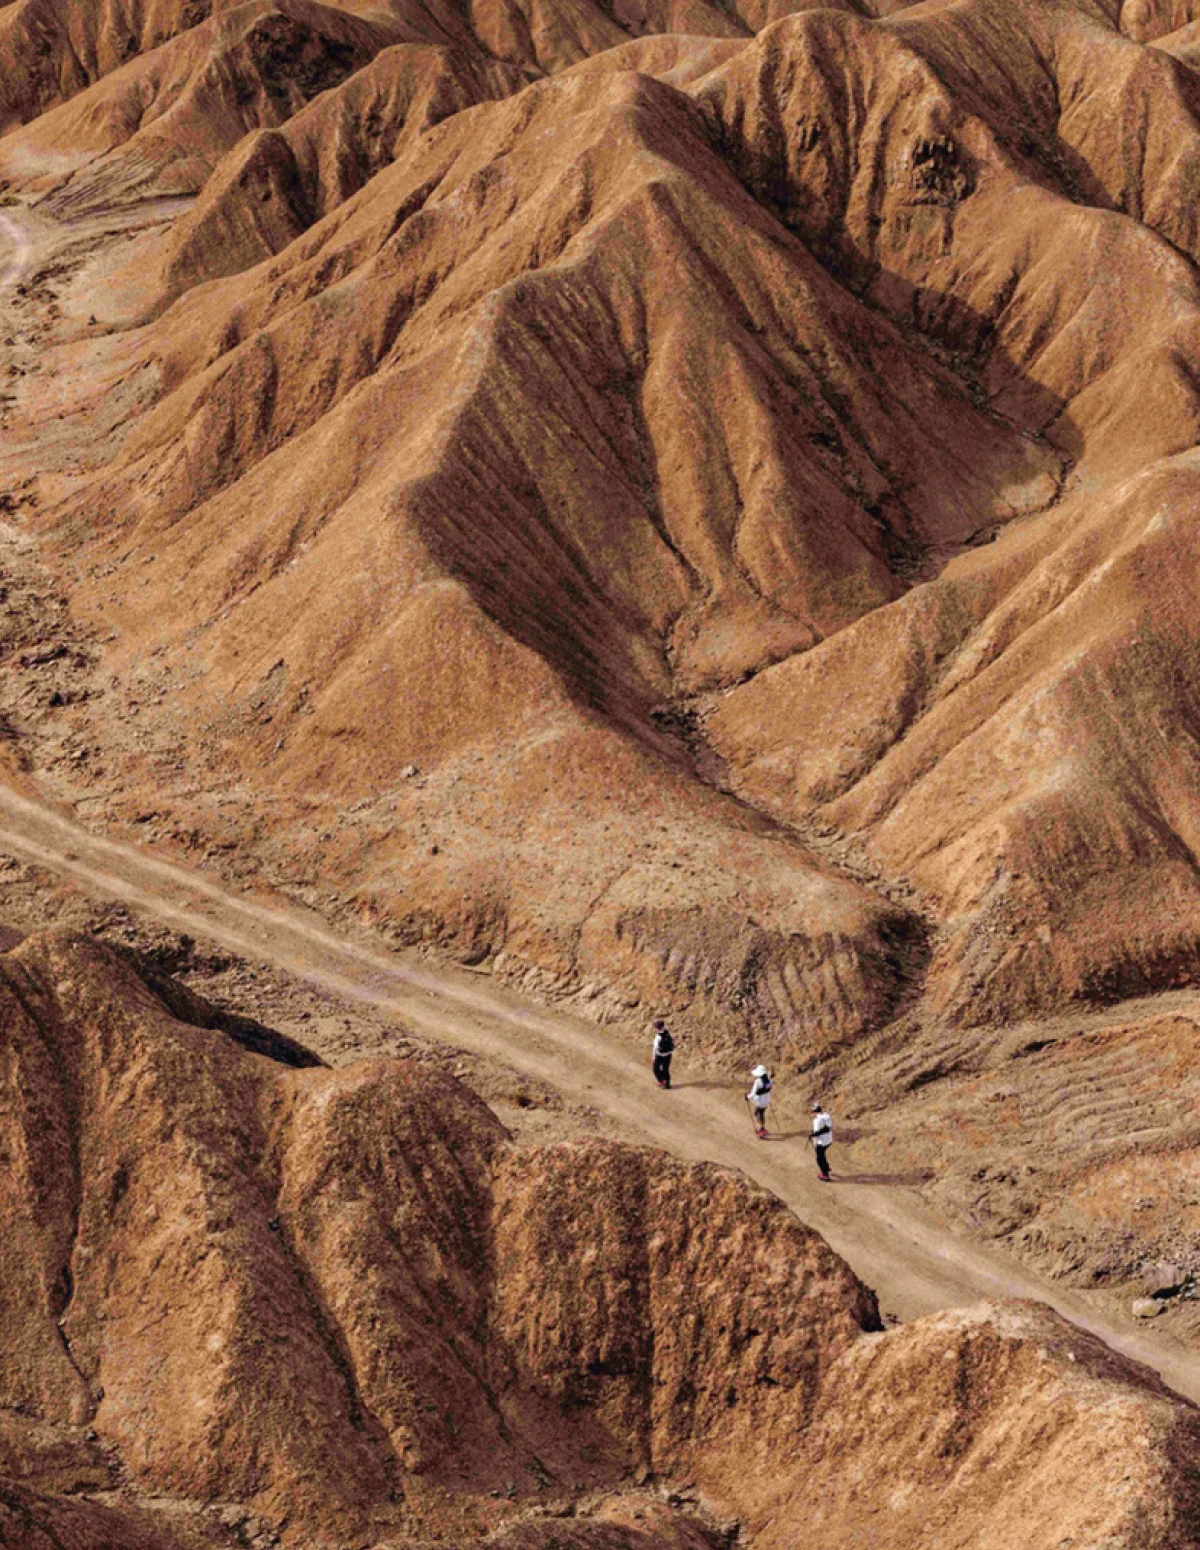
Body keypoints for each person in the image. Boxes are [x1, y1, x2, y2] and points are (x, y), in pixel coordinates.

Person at [745, 1064, 772, 1137]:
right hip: (766, 1101)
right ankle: (762, 1128)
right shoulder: (769, 1079)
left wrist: (747, 1097)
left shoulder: (758, 1081)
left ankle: (761, 1129)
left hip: (759, 1101)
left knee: (758, 1114)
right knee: (761, 1113)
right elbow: (769, 1088)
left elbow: (753, 1093)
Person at [810, 1101, 833, 1179]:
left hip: (822, 1141)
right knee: (822, 1153)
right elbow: (827, 1128)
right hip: (829, 1140)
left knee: (819, 1158)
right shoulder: (827, 1115)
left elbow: (818, 1132)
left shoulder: (816, 1121)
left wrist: (812, 1135)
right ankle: (826, 1166)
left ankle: (825, 1174)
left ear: (813, 1111)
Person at [651, 1018, 675, 1088]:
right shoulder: (669, 1033)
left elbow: (655, 1048)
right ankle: (667, 1084)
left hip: (659, 1055)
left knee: (655, 1069)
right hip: (668, 1055)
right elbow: (673, 1041)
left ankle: (661, 1081)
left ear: (657, 1028)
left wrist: (653, 1057)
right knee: (665, 1069)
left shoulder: (658, 1036)